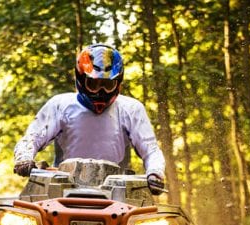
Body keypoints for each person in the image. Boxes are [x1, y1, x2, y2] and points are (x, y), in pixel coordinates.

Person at [13, 44, 166, 195]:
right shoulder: (60, 105)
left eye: (107, 85)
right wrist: (24, 158)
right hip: (60, 188)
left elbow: (150, 149)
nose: (100, 91)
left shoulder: (131, 109)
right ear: (81, 80)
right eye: (94, 84)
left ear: (118, 83)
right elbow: (32, 138)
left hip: (118, 192)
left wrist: (155, 173)